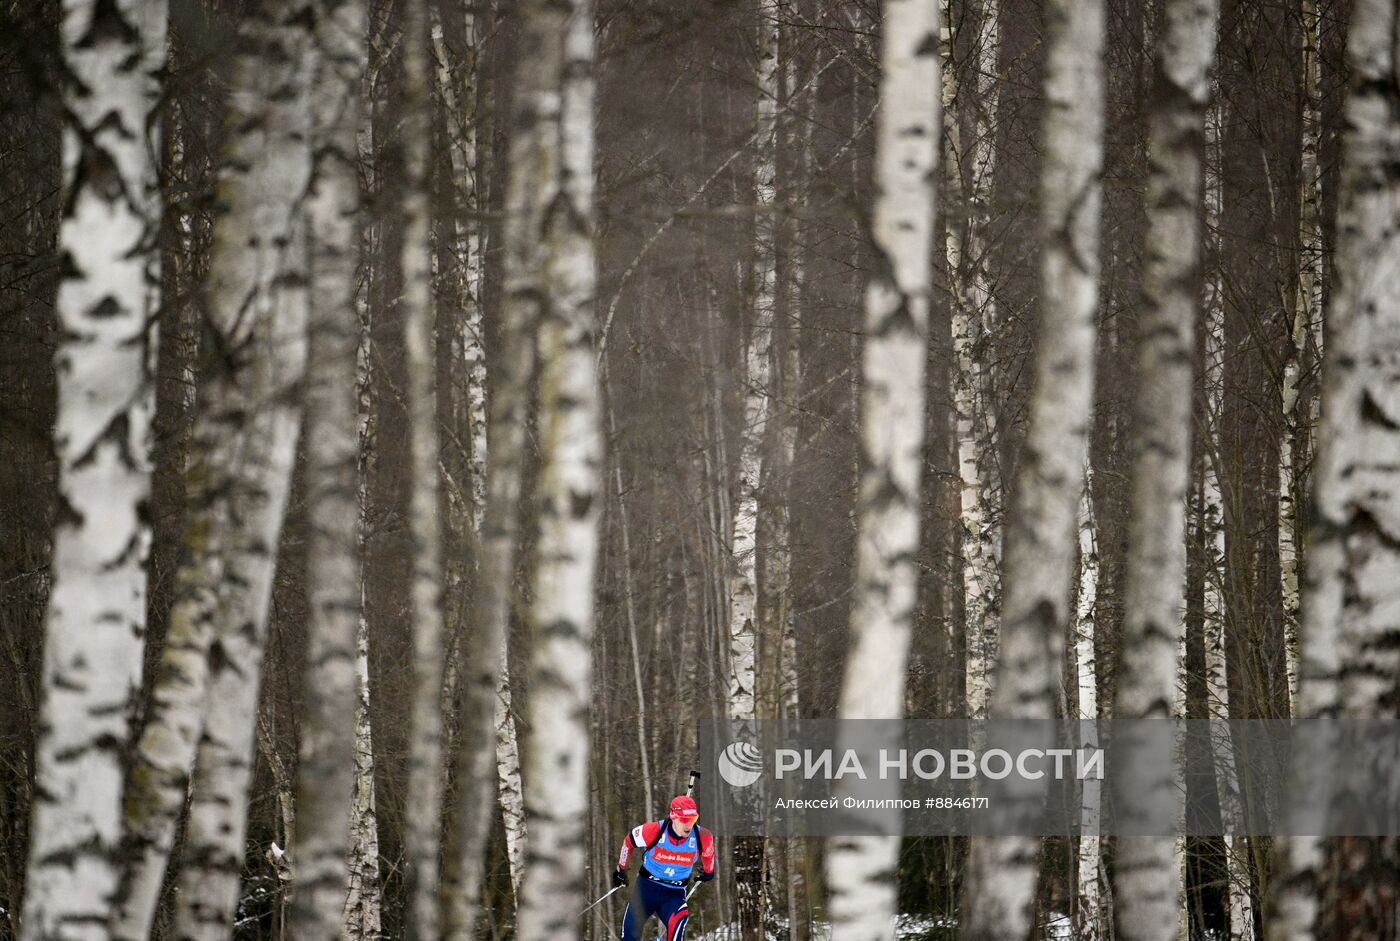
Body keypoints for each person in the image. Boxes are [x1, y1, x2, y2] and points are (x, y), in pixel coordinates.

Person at [613, 794, 715, 941]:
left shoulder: (702, 837)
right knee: (629, 936)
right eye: (685, 820)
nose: (689, 825)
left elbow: (709, 854)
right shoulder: (653, 831)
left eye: (693, 819)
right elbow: (628, 842)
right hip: (646, 890)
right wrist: (621, 869)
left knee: (679, 923)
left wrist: (708, 872)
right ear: (673, 816)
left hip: (674, 894)